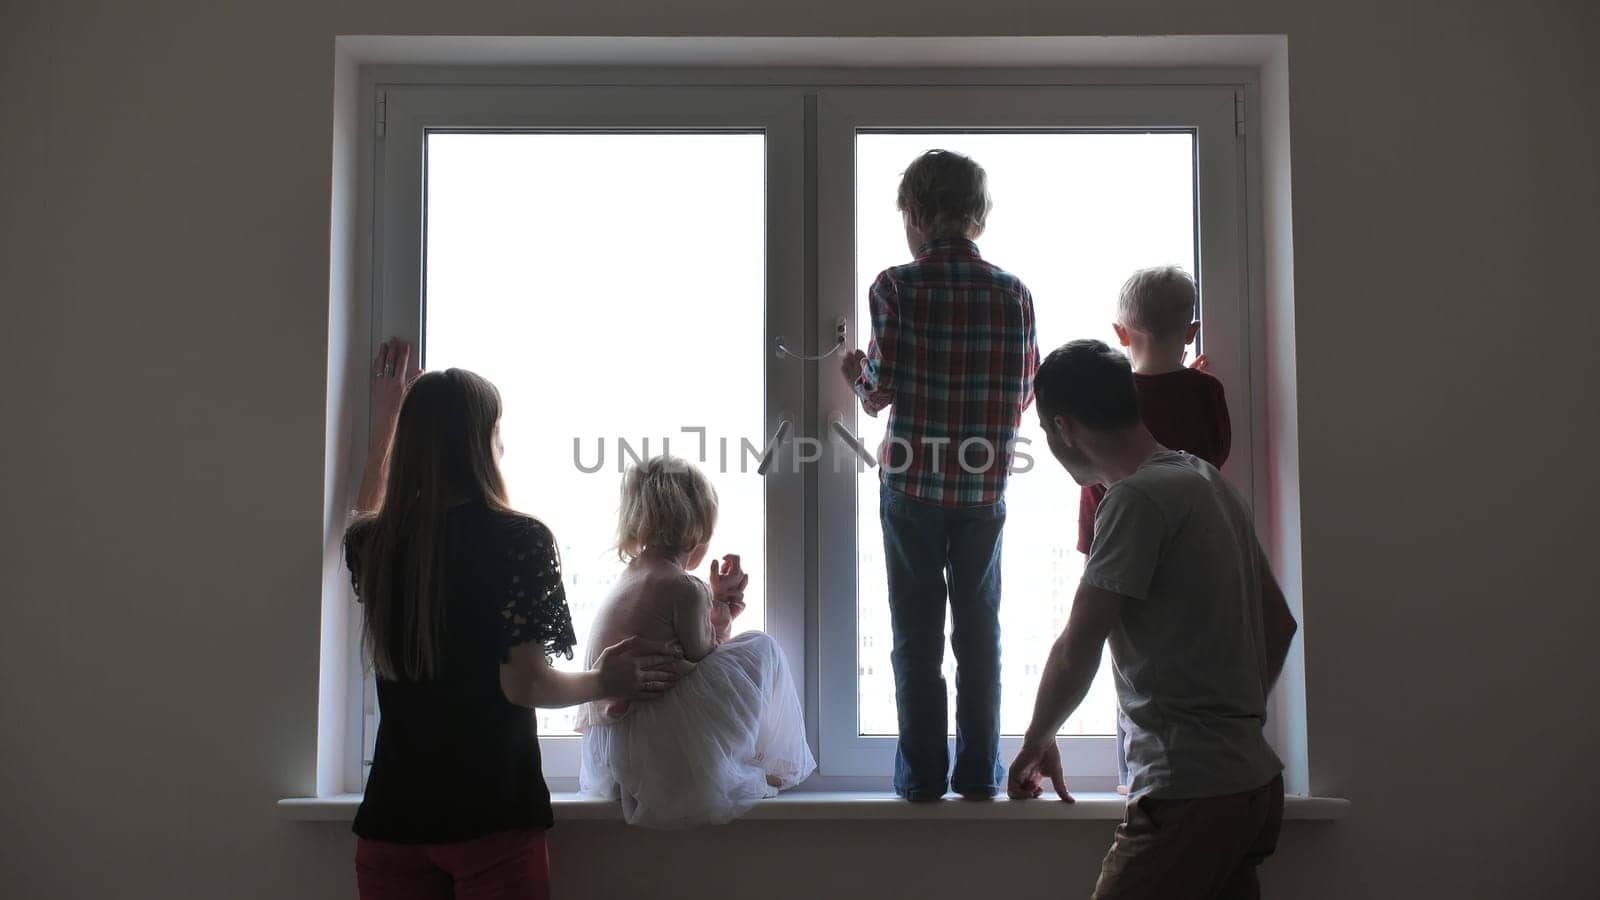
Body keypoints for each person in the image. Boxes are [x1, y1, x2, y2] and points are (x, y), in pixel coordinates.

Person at [344, 339, 691, 899]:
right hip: (492, 818)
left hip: (392, 822)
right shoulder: (518, 541)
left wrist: (386, 418)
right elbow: (525, 683)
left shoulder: (376, 545)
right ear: (483, 442)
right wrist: (607, 679)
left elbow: (364, 513)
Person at [1009, 340, 1298, 900]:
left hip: (1188, 793)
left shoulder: (1135, 500)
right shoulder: (1207, 481)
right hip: (1253, 787)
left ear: (1063, 427)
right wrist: (1228, 722)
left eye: (1045, 432)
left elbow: (1079, 644)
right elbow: (1279, 624)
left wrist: (1035, 742)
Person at [842, 149, 1039, 802]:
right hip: (983, 490)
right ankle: (979, 775)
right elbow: (1024, 390)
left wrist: (856, 378)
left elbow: (881, 388)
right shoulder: (1015, 294)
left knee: (916, 638)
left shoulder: (895, 286)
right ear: (977, 217)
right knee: (980, 637)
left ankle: (923, 777)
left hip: (913, 489)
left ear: (917, 215)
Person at [577, 455, 815, 828]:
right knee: (761, 648)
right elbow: (704, 655)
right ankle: (763, 766)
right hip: (658, 737)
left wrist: (716, 606)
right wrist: (718, 614)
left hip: (613, 747)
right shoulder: (683, 586)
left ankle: (743, 764)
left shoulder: (630, 576)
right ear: (698, 530)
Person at [1078, 266, 1232, 793]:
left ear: (1121, 336)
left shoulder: (1114, 397)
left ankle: (1131, 769)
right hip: (1188, 542)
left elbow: (1093, 467)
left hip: (1113, 538)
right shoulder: (1205, 392)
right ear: (1190, 333)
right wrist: (1199, 384)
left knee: (1124, 653)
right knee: (1176, 645)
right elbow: (1215, 458)